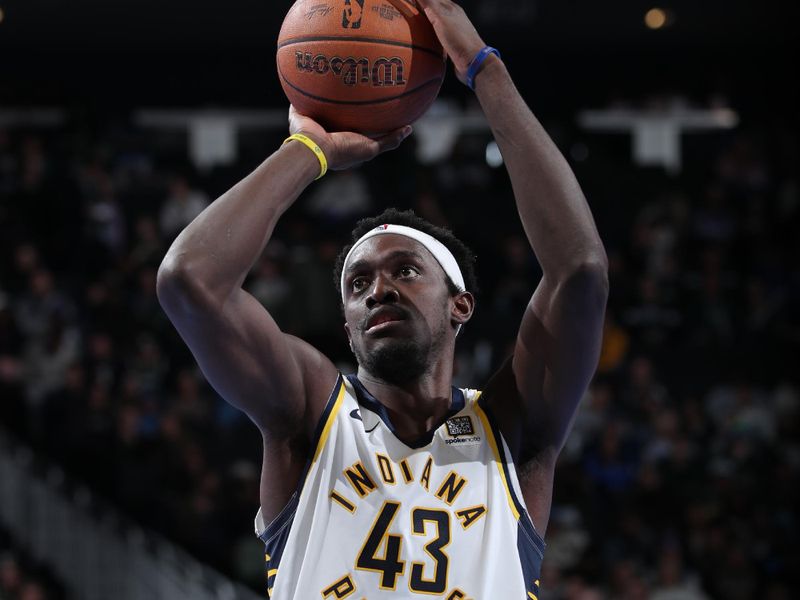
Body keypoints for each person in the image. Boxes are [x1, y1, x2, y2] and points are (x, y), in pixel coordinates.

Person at [156, 0, 608, 597]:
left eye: (405, 270)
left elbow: (579, 271)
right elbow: (190, 280)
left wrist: (484, 70)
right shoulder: (310, 414)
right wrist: (307, 151)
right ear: (346, 327)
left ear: (460, 304)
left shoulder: (512, 430)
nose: (379, 290)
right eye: (358, 283)